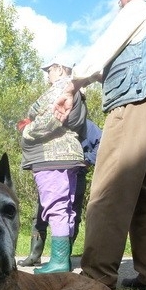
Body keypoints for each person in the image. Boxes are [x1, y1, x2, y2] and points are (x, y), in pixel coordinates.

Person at [54, 0, 146, 290]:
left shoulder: (139, 7)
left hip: (136, 107)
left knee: (109, 190)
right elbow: (117, 64)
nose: (119, 0)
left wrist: (71, 85)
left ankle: (96, 278)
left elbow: (99, 55)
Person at [18, 54, 86, 274]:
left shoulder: (61, 88)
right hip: (70, 155)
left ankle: (58, 263)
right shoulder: (77, 90)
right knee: (66, 208)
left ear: (59, 68)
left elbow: (53, 117)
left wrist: (27, 131)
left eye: (49, 70)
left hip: (51, 157)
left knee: (55, 207)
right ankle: (62, 259)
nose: (47, 74)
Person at [18, 118, 102, 267]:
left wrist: (87, 160)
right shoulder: (48, 120)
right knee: (39, 214)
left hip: (76, 173)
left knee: (72, 215)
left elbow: (101, 142)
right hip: (49, 171)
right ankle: (34, 255)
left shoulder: (83, 124)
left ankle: (63, 258)